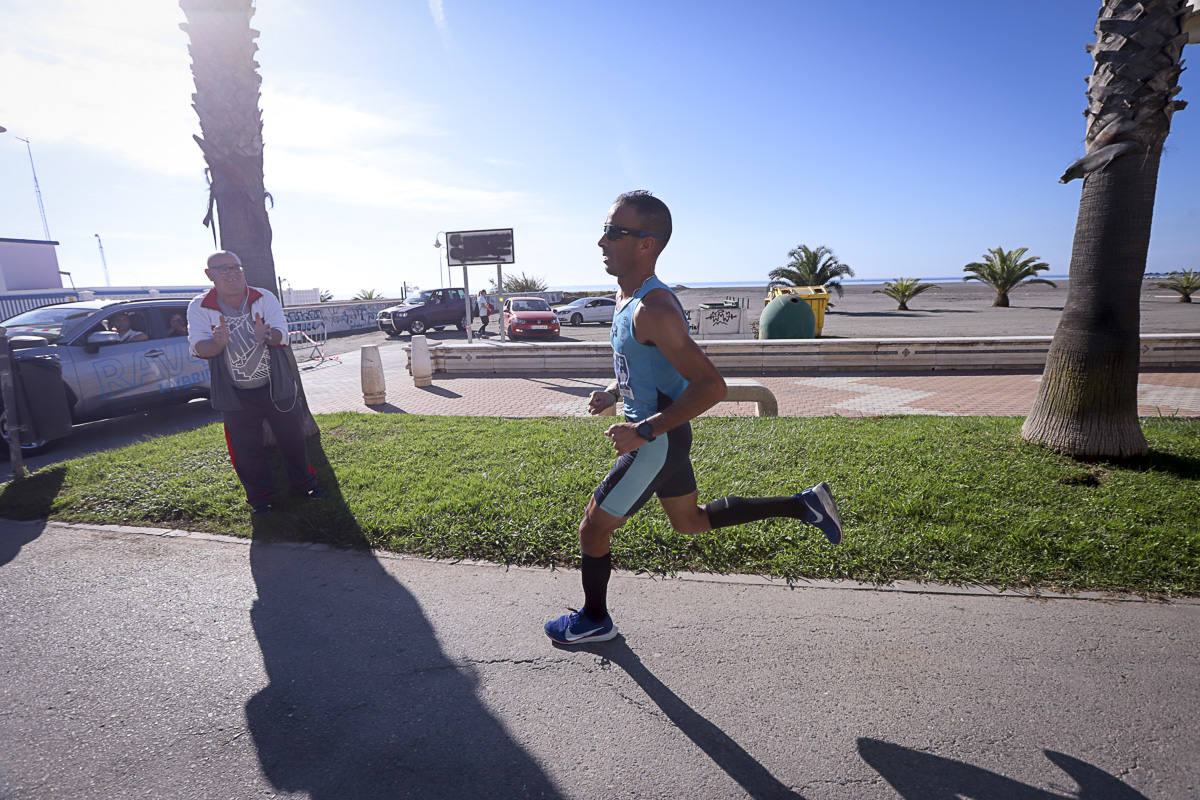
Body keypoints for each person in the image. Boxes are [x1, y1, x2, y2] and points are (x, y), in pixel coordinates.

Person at [544, 191, 844, 645]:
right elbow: (646, 366)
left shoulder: (655, 309)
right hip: (666, 437)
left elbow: (711, 387)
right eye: (605, 230)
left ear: (646, 243)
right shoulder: (626, 297)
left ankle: (594, 619)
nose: (601, 242)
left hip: (655, 442)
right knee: (691, 523)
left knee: (592, 528)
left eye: (613, 232)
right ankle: (802, 504)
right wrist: (612, 391)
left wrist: (642, 430)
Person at [187, 251, 325, 515]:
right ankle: (260, 499)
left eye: (236, 267)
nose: (231, 273)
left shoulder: (263, 297)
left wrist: (268, 334)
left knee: (293, 439)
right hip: (235, 393)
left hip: (276, 387)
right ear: (209, 274)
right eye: (222, 268)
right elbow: (198, 347)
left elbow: (283, 336)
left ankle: (305, 486)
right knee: (244, 448)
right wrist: (217, 343)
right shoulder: (200, 306)